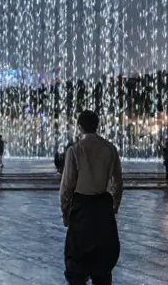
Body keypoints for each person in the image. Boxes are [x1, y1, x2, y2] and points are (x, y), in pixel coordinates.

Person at [59, 110, 122, 285]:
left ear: (80, 127)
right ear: (97, 125)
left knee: (77, 262)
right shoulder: (110, 149)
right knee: (103, 262)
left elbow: (66, 187)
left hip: (81, 208)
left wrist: (65, 213)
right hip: (103, 206)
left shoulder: (75, 150)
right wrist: (114, 207)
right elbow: (118, 183)